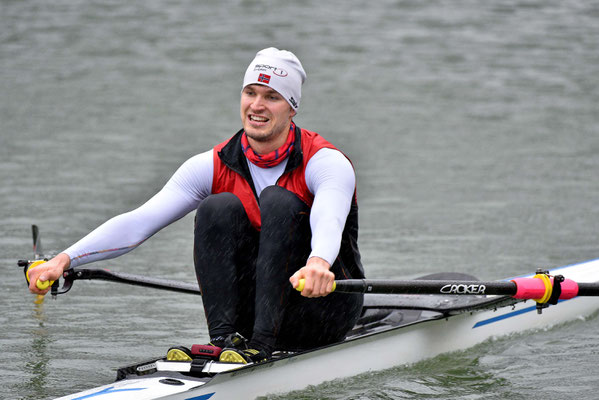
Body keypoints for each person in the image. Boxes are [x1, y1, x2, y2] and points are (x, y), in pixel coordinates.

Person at [28, 47, 365, 363]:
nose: (257, 105)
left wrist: (318, 262)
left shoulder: (326, 162)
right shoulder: (212, 164)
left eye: (272, 97)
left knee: (276, 201)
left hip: (322, 308)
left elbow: (329, 218)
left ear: (292, 107)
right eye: (250, 93)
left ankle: (262, 346)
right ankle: (224, 341)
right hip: (256, 313)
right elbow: (138, 222)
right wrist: (63, 259)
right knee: (216, 208)